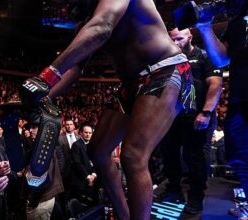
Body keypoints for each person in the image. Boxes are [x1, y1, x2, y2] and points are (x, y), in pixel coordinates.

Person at [19, 0, 195, 218]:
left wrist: (46, 76)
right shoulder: (86, 18)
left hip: (166, 68)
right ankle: (124, 215)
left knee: (133, 155)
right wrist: (41, 97)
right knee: (98, 150)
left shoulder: (101, 15)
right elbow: (75, 67)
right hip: (132, 82)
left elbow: (103, 26)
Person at [156, 28, 223, 214]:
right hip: (171, 117)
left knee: (195, 159)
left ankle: (195, 197)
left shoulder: (203, 56)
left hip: (197, 117)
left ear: (190, 37)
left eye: (179, 38)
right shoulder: (166, 59)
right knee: (169, 156)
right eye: (172, 39)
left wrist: (206, 112)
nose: (175, 42)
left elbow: (216, 84)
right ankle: (174, 191)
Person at [194, 1, 248, 218]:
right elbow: (221, 58)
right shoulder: (237, 21)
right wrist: (205, 26)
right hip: (240, 100)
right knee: (240, 155)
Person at [70, 124, 98, 206]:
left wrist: (93, 174)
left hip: (92, 179)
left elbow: (96, 161)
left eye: (90, 133)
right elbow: (77, 163)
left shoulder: (93, 144)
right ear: (81, 133)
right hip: (80, 181)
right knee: (81, 206)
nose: (88, 134)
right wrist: (88, 176)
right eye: (86, 132)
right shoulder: (76, 145)